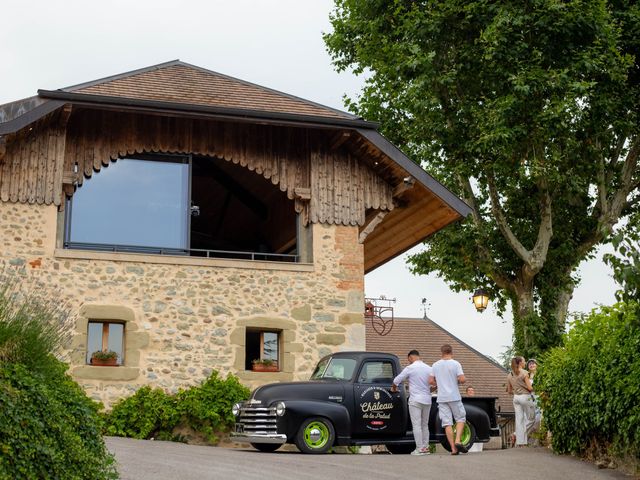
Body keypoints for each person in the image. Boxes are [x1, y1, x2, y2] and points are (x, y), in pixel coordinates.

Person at [391, 350, 433, 456]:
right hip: (427, 400)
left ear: (410, 357)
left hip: (415, 400)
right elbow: (434, 384)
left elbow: (396, 380)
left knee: (416, 425)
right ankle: (426, 447)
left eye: (408, 359)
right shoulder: (429, 368)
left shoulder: (410, 368)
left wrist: (394, 389)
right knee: (425, 425)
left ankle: (419, 449)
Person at [429, 344, 467, 455]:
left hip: (442, 397)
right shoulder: (456, 364)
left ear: (441, 352)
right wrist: (459, 381)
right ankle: (458, 440)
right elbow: (462, 379)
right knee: (460, 418)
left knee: (447, 423)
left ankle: (453, 449)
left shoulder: (435, 365)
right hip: (454, 396)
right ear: (451, 352)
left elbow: (431, 381)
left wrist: (439, 383)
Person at [506, 356, 535, 447]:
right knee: (531, 419)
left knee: (519, 420)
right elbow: (530, 388)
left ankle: (520, 442)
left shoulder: (510, 374)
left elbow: (509, 391)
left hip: (516, 398)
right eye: (524, 361)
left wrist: (517, 390)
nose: (525, 362)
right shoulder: (524, 373)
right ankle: (518, 436)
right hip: (525, 397)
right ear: (520, 363)